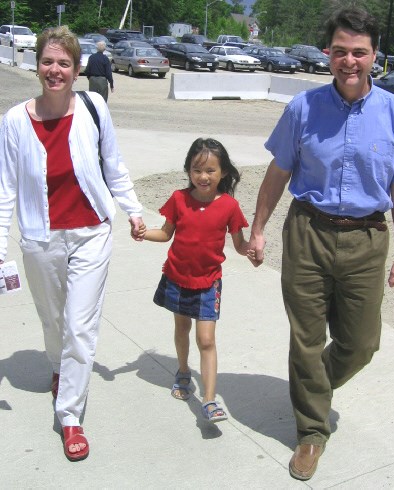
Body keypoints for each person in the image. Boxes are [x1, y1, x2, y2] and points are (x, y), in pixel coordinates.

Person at [248, 7, 394, 481]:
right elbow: (279, 172)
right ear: (328, 53)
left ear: (376, 57)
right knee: (307, 340)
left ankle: (312, 387)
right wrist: (258, 227)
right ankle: (311, 431)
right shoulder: (303, 108)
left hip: (368, 240)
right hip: (307, 232)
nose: (350, 61)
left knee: (361, 342)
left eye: (360, 52)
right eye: (341, 51)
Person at [0, 26, 145, 461]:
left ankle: (70, 417)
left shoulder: (93, 107)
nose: (55, 70)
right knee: (53, 320)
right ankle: (60, 369)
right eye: (48, 61)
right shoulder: (13, 121)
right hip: (39, 239)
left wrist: (134, 209)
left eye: (64, 63)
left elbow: (113, 165)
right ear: (36, 65)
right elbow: (5, 188)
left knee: (80, 327)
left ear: (78, 69)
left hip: (91, 233)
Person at [140, 138, 255, 422]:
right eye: (196, 170)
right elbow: (166, 233)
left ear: (223, 173)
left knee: (206, 339)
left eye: (211, 171)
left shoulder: (229, 205)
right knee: (182, 328)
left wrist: (251, 250)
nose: (203, 177)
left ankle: (209, 399)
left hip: (208, 282)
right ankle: (182, 371)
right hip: (178, 277)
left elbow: (239, 244)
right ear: (189, 171)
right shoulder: (179, 199)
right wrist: (143, 232)